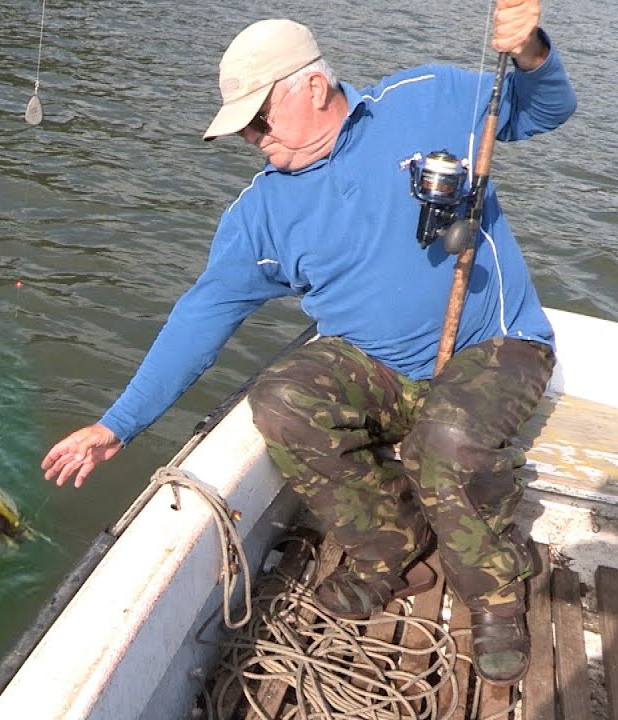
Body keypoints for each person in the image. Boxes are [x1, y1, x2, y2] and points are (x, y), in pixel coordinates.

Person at [41, 0, 576, 686]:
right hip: (382, 370)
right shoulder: (261, 213)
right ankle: (390, 544)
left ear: (314, 87)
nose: (253, 138)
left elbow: (545, 108)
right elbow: (202, 315)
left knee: (447, 438)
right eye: (242, 128)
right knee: (281, 398)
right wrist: (116, 425)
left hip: (496, 347)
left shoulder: (427, 99)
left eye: (260, 120)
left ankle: (496, 591)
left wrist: (530, 50)